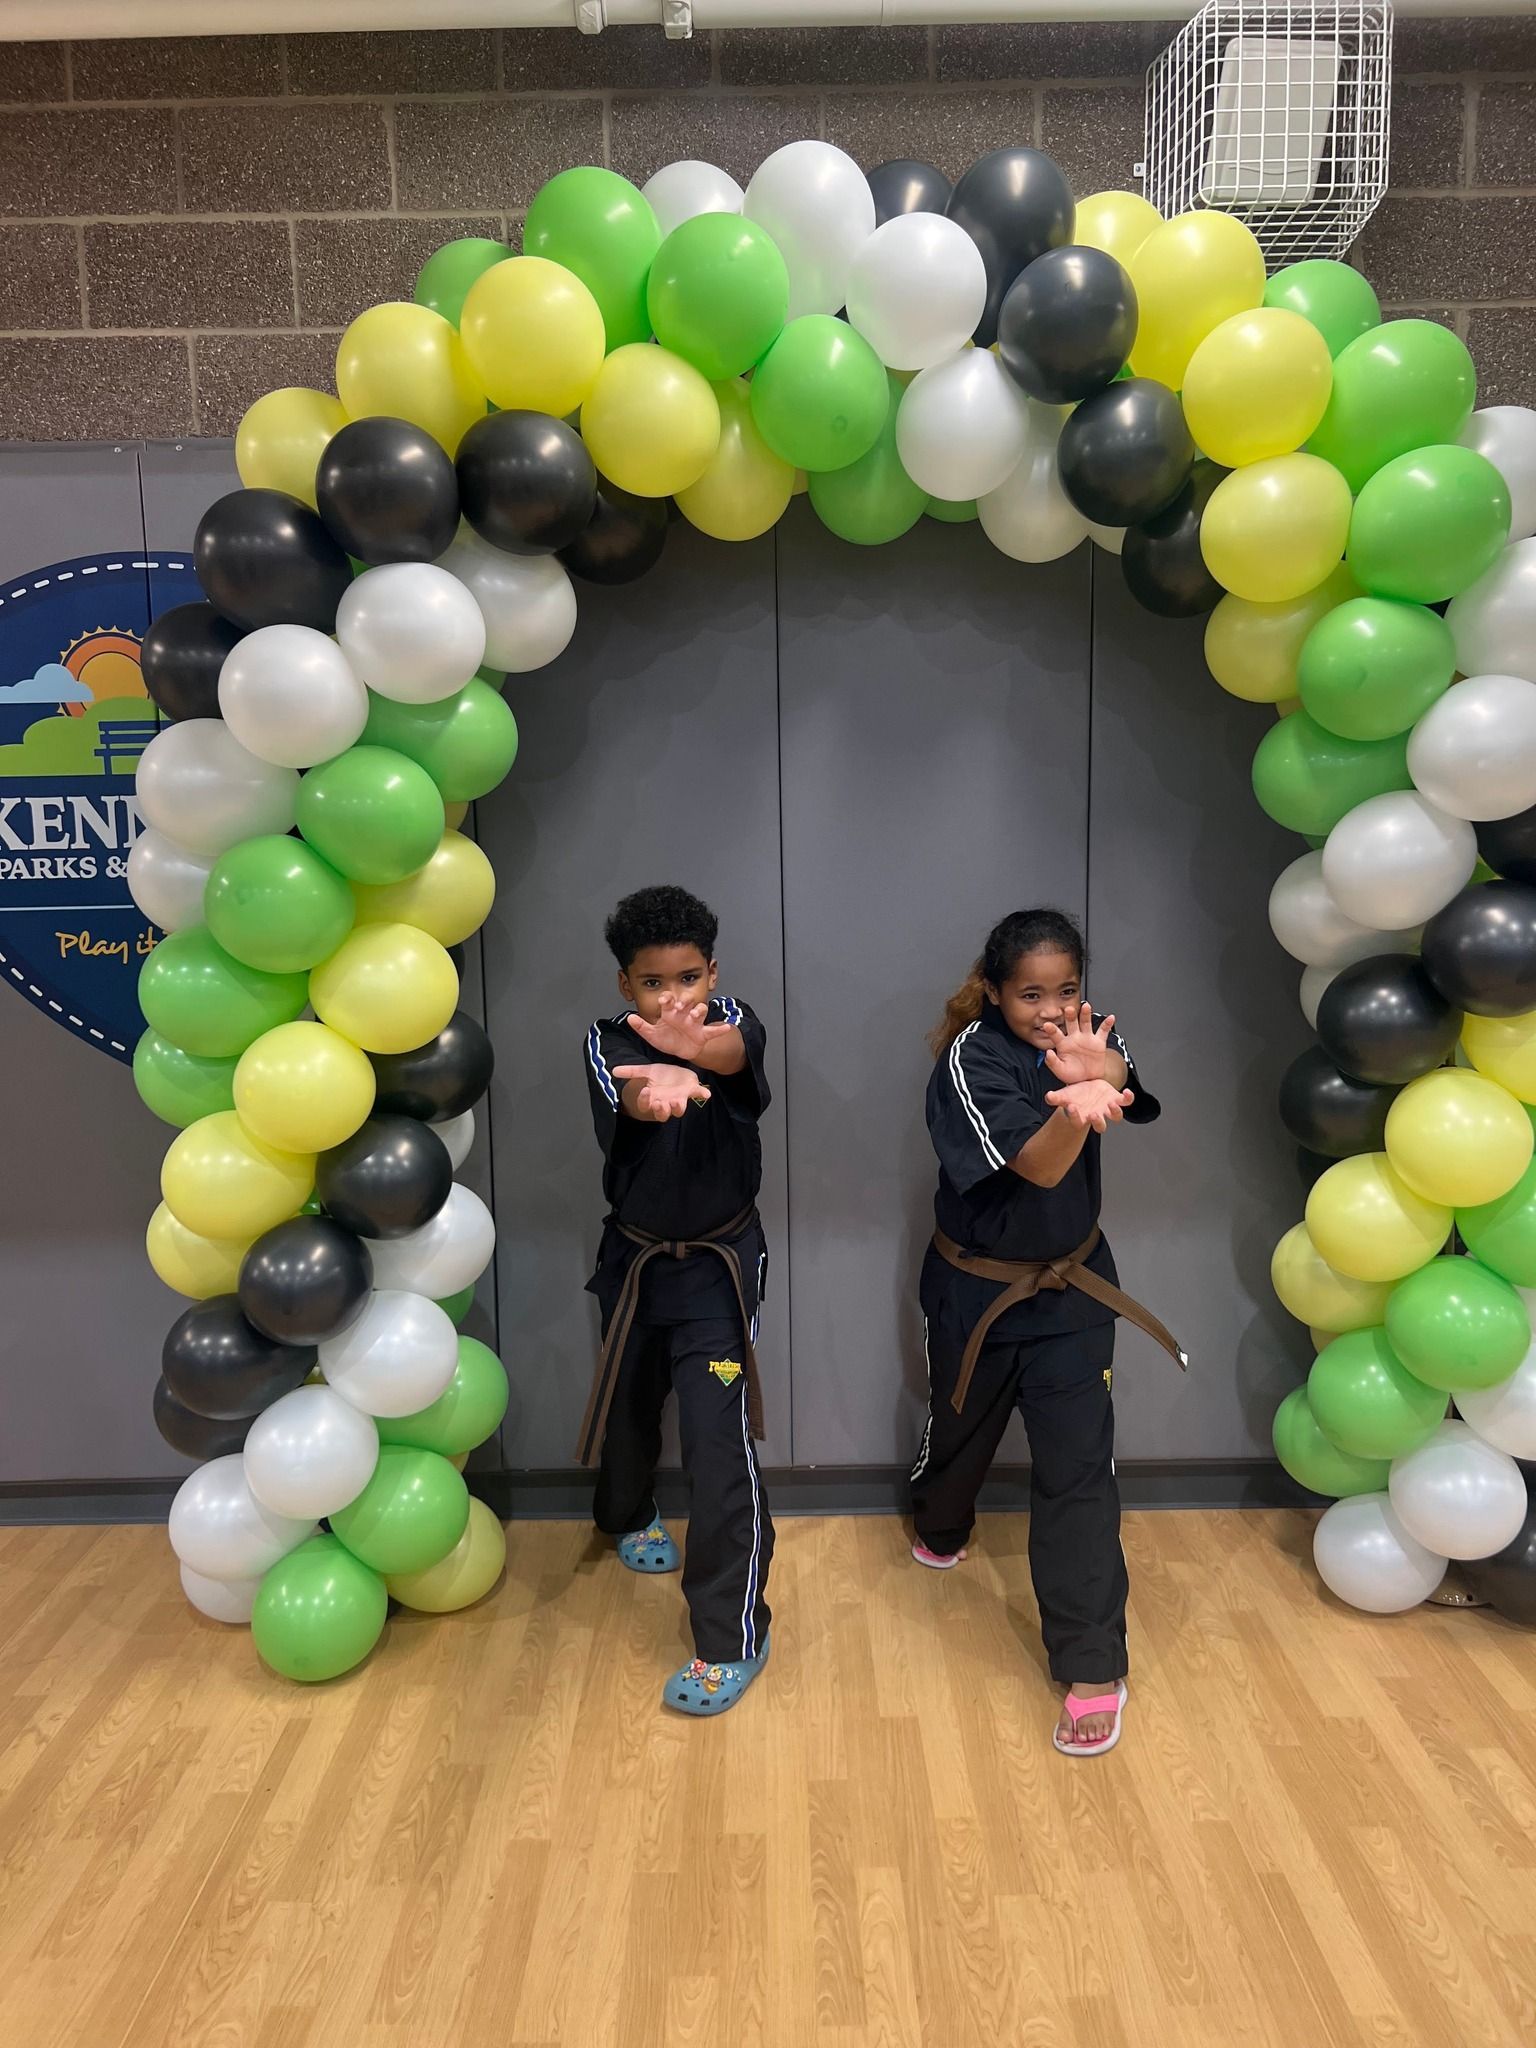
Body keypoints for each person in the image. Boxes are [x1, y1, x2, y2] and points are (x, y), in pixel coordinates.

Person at [912, 908, 1186, 1759]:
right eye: (1030, 993)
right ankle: (941, 1523)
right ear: (993, 991)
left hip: (1073, 1290)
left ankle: (1093, 1666)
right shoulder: (970, 1060)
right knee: (962, 1429)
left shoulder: (1085, 1035)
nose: (1051, 1008)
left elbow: (1130, 1089)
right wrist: (1080, 1102)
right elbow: (1038, 1163)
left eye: (1066, 989)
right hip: (978, 1292)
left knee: (1078, 1475)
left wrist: (1109, 1069)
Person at [580, 884, 773, 1716]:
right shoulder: (605, 1039)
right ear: (626, 985)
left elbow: (735, 1057)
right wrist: (649, 1088)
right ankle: (627, 1511)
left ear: (712, 972)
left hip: (718, 1271)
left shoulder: (734, 1022)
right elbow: (626, 1097)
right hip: (633, 1260)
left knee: (715, 1441)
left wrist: (696, 1052)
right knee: (627, 1404)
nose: (673, 999)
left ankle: (731, 1636)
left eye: (688, 978)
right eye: (654, 983)